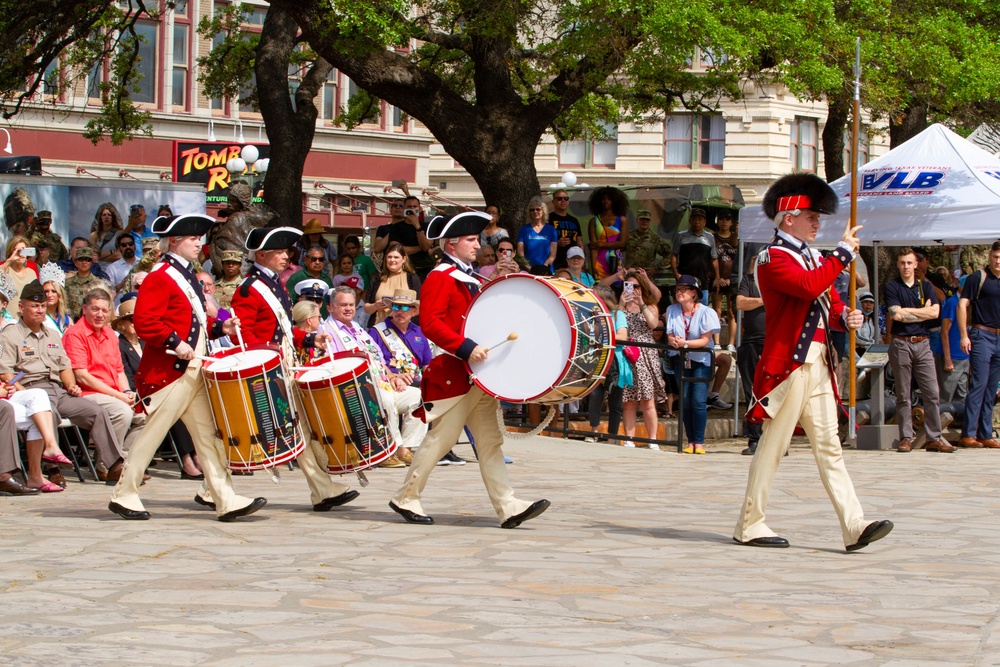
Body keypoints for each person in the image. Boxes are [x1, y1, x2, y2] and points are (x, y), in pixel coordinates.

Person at [734, 172, 893, 552]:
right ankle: (750, 523)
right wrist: (841, 254)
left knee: (830, 446)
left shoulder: (814, 258)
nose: (817, 222)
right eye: (811, 216)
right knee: (773, 447)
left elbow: (829, 305)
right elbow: (807, 287)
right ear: (788, 217)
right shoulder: (772, 257)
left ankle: (853, 524)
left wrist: (846, 317)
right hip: (787, 366)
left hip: (818, 362)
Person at [389, 211, 550, 528]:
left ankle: (508, 505)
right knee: (442, 440)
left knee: (490, 443)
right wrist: (466, 348)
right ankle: (406, 496)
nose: (478, 245)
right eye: (471, 240)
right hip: (455, 372)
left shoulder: (470, 278)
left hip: (478, 374)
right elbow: (432, 323)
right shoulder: (440, 276)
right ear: (452, 243)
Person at [108, 214, 266, 521]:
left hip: (191, 369)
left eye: (199, 238)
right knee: (151, 435)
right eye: (193, 239)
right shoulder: (160, 276)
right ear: (176, 241)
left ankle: (224, 497)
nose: (199, 243)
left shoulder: (184, 275)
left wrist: (222, 328)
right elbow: (145, 321)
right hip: (171, 371)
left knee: (208, 436)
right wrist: (174, 341)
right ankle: (124, 493)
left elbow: (194, 323)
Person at [229, 226, 362, 512]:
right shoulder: (249, 288)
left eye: (287, 251)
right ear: (262, 254)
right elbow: (242, 333)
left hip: (282, 365)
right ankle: (211, 489)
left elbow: (285, 329)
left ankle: (322, 489)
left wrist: (311, 338)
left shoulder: (274, 283)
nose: (286, 256)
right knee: (262, 431)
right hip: (264, 369)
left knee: (298, 428)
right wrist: (265, 356)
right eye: (279, 251)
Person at [0, 281, 127, 484]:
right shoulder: (10, 335)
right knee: (48, 413)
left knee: (96, 412)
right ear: (21, 308)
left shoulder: (52, 334)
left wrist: (70, 385)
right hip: (32, 389)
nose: (40, 310)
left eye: (42, 306)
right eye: (34, 306)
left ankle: (113, 465)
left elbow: (64, 366)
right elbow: (6, 373)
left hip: (58, 389)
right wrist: (26, 394)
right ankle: (53, 469)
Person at [322, 286, 426, 468]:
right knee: (384, 398)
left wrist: (392, 376)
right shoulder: (327, 332)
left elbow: (377, 359)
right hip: (354, 389)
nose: (348, 309)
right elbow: (333, 367)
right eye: (343, 305)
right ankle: (387, 450)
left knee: (417, 396)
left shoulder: (356, 327)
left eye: (351, 305)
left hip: (380, 382)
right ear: (330, 307)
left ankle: (405, 448)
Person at [885, 248, 951, 453]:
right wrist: (922, 312)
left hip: (923, 343)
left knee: (932, 391)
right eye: (902, 262)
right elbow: (896, 315)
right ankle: (906, 437)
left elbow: (935, 312)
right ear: (898, 264)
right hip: (901, 343)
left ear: (916, 265)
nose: (906, 266)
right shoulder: (892, 286)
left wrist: (910, 312)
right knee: (903, 393)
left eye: (909, 263)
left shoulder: (925, 287)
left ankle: (934, 437)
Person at [63, 288, 145, 450]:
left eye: (104, 310)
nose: (100, 314)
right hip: (87, 394)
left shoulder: (110, 334)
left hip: (112, 393)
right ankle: (107, 465)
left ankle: (123, 460)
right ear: (85, 309)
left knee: (148, 416)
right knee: (122, 412)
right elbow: (82, 377)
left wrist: (127, 391)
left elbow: (119, 370)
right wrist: (119, 396)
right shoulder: (75, 334)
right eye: (95, 309)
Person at [369, 288, 433, 464]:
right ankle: (391, 448)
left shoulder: (419, 332)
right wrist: (392, 376)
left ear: (414, 311)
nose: (400, 312)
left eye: (405, 308)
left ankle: (406, 449)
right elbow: (373, 361)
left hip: (416, 383)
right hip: (388, 383)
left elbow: (427, 363)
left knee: (425, 399)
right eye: (396, 307)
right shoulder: (377, 332)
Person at [665, 275, 719, 454]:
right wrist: (674, 341)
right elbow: (670, 334)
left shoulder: (706, 312)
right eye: (677, 290)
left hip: (701, 360)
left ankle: (699, 441)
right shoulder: (672, 310)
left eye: (683, 290)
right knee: (686, 401)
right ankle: (689, 441)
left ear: (694, 293)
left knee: (698, 400)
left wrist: (685, 344)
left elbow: (705, 340)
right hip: (682, 358)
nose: (679, 293)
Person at [957, 241, 1000, 449]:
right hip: (982, 334)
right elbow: (962, 304)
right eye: (995, 257)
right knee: (979, 384)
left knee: (992, 388)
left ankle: (985, 433)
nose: (998, 261)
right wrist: (964, 334)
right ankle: (968, 433)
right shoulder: (979, 278)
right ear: (989, 256)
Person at [620, 271, 667, 449]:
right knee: (628, 400)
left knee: (648, 400)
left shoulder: (650, 305)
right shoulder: (621, 307)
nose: (633, 289)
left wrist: (640, 304)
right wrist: (621, 304)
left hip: (646, 354)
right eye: (629, 285)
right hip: (627, 353)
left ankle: (652, 439)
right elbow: (616, 321)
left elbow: (653, 325)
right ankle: (629, 439)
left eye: (637, 286)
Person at [736, 259, 766, 455]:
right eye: (755, 260)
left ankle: (775, 440)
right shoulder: (747, 281)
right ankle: (755, 439)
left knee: (775, 394)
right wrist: (765, 300)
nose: (758, 264)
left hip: (774, 344)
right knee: (752, 393)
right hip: (750, 344)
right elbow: (740, 303)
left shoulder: (776, 280)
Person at [373, 195, 434, 278]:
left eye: (414, 206)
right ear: (405, 209)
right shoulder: (396, 227)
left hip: (424, 269)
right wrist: (420, 248)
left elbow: (426, 246)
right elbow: (397, 249)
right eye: (409, 207)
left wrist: (417, 227)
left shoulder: (427, 226)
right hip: (403, 269)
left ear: (419, 209)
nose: (412, 209)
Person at [363, 241, 421, 327]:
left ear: (404, 259)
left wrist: (404, 313)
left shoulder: (412, 278)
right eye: (389, 257)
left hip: (405, 328)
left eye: (396, 257)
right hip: (380, 327)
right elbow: (366, 308)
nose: (392, 260)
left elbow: (421, 305)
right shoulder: (377, 279)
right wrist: (375, 306)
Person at [671, 208, 718, 306]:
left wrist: (717, 276)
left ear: (704, 222)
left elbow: (714, 259)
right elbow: (674, 256)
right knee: (684, 308)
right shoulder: (681, 236)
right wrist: (676, 273)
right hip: (685, 280)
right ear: (690, 221)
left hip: (703, 280)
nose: (697, 222)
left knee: (701, 308)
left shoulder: (710, 237)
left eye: (700, 219)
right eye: (694, 219)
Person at [588, 187, 629, 280]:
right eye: (603, 199)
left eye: (609, 199)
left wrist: (600, 244)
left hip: (615, 260)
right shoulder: (594, 221)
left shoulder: (622, 219)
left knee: (617, 288)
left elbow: (622, 243)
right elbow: (593, 247)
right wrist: (593, 266)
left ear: (615, 201)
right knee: (600, 290)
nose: (606, 201)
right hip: (599, 261)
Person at [711, 212, 738, 350]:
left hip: (732, 279)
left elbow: (740, 260)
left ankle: (731, 343)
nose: (724, 222)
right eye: (721, 219)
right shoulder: (713, 238)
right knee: (716, 311)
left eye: (727, 219)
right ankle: (716, 342)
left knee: (732, 311)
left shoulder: (736, 239)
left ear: (731, 223)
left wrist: (730, 278)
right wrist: (717, 277)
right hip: (716, 279)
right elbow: (711, 258)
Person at [64, 246, 113, 318]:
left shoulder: (98, 284)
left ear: (92, 262)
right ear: (76, 263)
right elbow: (64, 305)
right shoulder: (67, 283)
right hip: (71, 322)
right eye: (81, 259)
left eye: (88, 260)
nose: (84, 262)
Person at [624, 209, 671, 277]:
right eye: (642, 219)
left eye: (647, 220)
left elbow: (669, 255)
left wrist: (656, 268)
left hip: (646, 276)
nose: (644, 221)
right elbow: (619, 250)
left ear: (650, 221)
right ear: (637, 220)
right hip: (630, 275)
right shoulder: (629, 236)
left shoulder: (655, 238)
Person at [517, 196, 558, 272]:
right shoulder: (524, 230)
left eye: (538, 209)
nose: (535, 211)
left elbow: (553, 255)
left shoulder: (551, 229)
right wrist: (531, 269)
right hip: (528, 271)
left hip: (546, 270)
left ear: (543, 210)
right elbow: (520, 255)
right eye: (532, 210)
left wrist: (544, 268)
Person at [1, 235, 40, 314]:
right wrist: (10, 260)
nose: (21, 255)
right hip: (7, 320)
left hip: (25, 320)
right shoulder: (5, 270)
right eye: (18, 251)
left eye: (24, 251)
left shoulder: (31, 273)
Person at [548, 189, 583, 270]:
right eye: (559, 198)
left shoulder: (574, 220)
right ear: (553, 201)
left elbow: (580, 242)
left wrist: (582, 258)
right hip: (557, 262)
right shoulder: (549, 219)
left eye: (566, 198)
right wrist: (557, 243)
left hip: (574, 262)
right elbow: (544, 242)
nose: (563, 201)